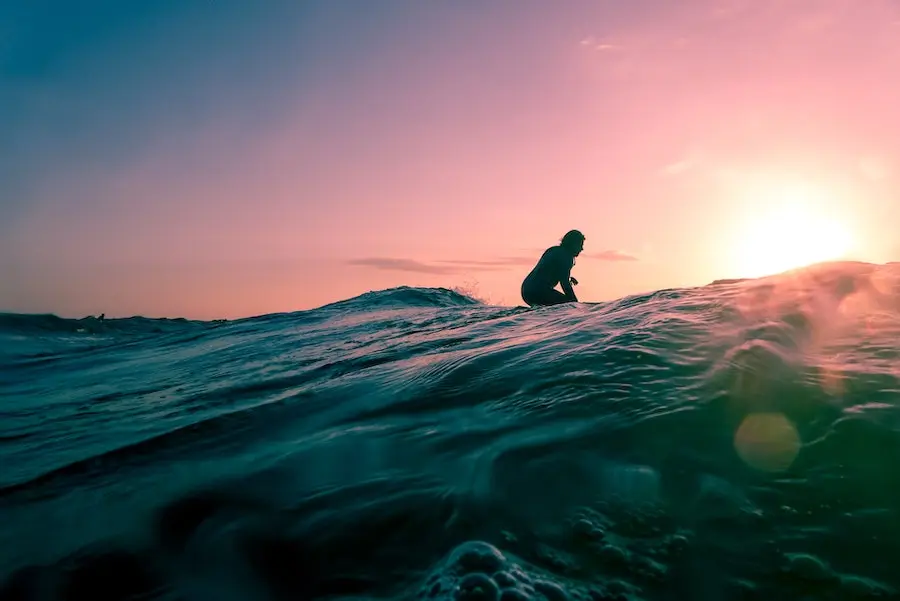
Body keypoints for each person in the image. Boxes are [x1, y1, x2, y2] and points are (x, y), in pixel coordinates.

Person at [521, 230, 585, 306]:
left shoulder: (553, 250)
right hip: (538, 291)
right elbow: (564, 283)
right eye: (580, 245)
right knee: (567, 305)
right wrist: (575, 304)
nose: (582, 248)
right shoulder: (566, 256)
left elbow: (547, 270)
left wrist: (568, 277)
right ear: (572, 244)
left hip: (526, 290)